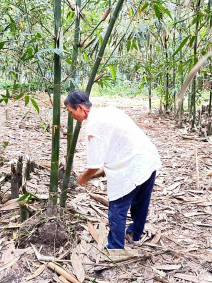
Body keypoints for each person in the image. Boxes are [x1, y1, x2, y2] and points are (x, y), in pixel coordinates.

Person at [64, 90, 161, 249]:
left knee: (117, 208)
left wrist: (83, 177)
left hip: (133, 165)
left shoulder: (93, 126)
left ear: (81, 107)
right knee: (140, 202)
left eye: (71, 111)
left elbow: (94, 164)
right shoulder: (108, 110)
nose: (72, 116)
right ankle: (136, 234)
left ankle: (115, 248)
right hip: (148, 158)